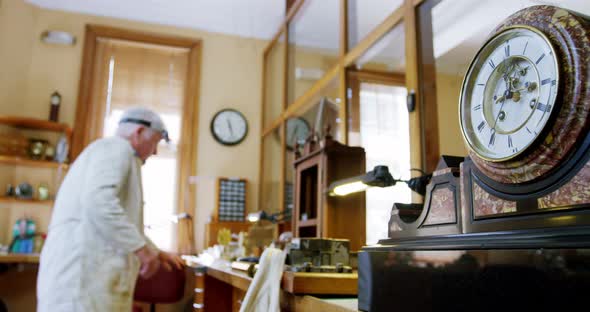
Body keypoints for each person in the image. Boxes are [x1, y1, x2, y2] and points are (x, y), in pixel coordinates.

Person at [37, 107, 184, 312]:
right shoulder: (117, 148)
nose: (156, 151)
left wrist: (155, 252)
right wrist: (142, 251)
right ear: (139, 132)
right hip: (80, 283)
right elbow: (99, 203)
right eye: (156, 142)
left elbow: (121, 219)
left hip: (86, 285)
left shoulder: (112, 154)